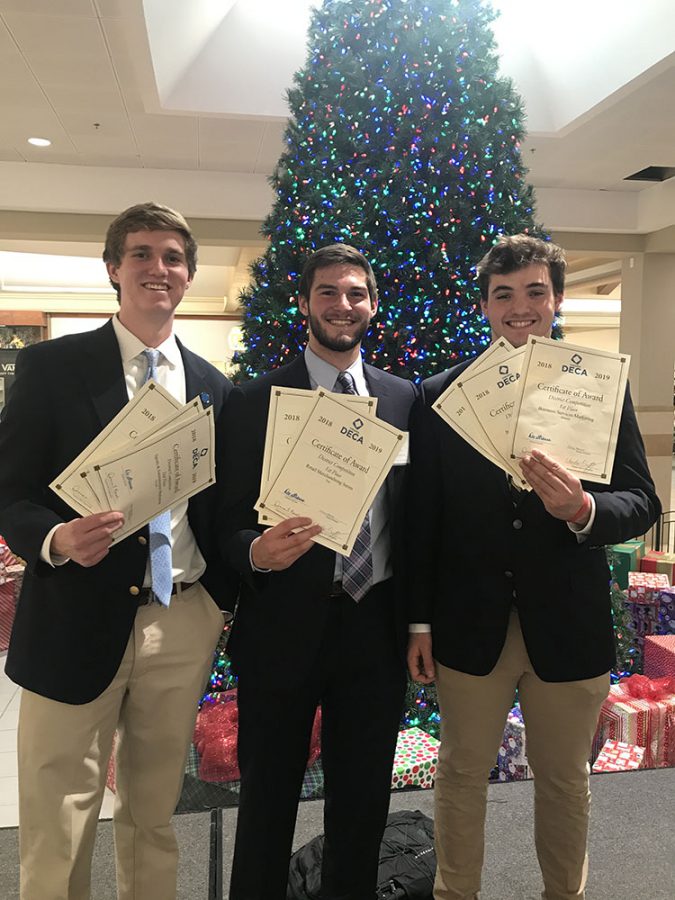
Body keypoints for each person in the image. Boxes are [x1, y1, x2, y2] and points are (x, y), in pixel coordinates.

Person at [407, 234, 661, 900]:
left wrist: (581, 509)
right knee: (460, 776)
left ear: (555, 300)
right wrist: (418, 622)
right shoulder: (440, 396)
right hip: (469, 628)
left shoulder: (596, 387)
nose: (520, 308)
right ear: (485, 306)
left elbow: (639, 501)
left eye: (534, 292)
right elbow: (421, 521)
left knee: (563, 780)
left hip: (567, 625)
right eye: (503, 295)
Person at [0, 202, 235, 900]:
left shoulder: (214, 386)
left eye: (171, 256)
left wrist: (220, 599)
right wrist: (55, 538)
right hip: (74, 610)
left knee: (154, 808)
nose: (156, 268)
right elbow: (10, 489)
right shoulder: (52, 368)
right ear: (113, 268)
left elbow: (219, 509)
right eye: (140, 253)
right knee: (58, 812)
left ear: (188, 276)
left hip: (181, 616)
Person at [220, 243, 417, 900]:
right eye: (327, 292)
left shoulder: (403, 400)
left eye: (356, 293)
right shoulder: (252, 402)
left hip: (374, 631)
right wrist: (252, 551)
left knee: (361, 808)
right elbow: (217, 522)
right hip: (281, 626)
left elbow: (416, 521)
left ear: (373, 305)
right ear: (303, 302)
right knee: (266, 805)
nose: (342, 305)